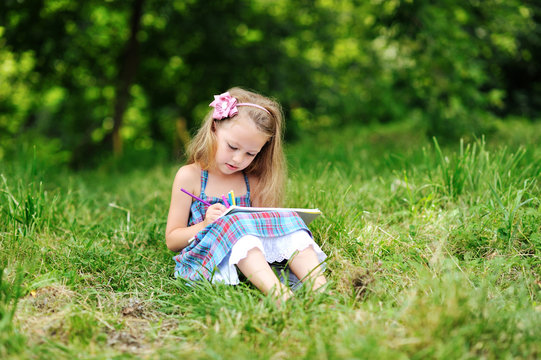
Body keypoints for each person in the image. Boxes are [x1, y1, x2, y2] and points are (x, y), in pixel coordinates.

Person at [165, 87, 327, 303]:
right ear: (214, 128)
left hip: (252, 262)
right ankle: (280, 296)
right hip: (208, 260)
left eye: (251, 153)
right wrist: (205, 225)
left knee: (292, 230)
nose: (238, 159)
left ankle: (322, 291)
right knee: (238, 229)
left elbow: (267, 236)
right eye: (232, 146)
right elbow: (172, 240)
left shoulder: (253, 180)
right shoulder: (190, 176)